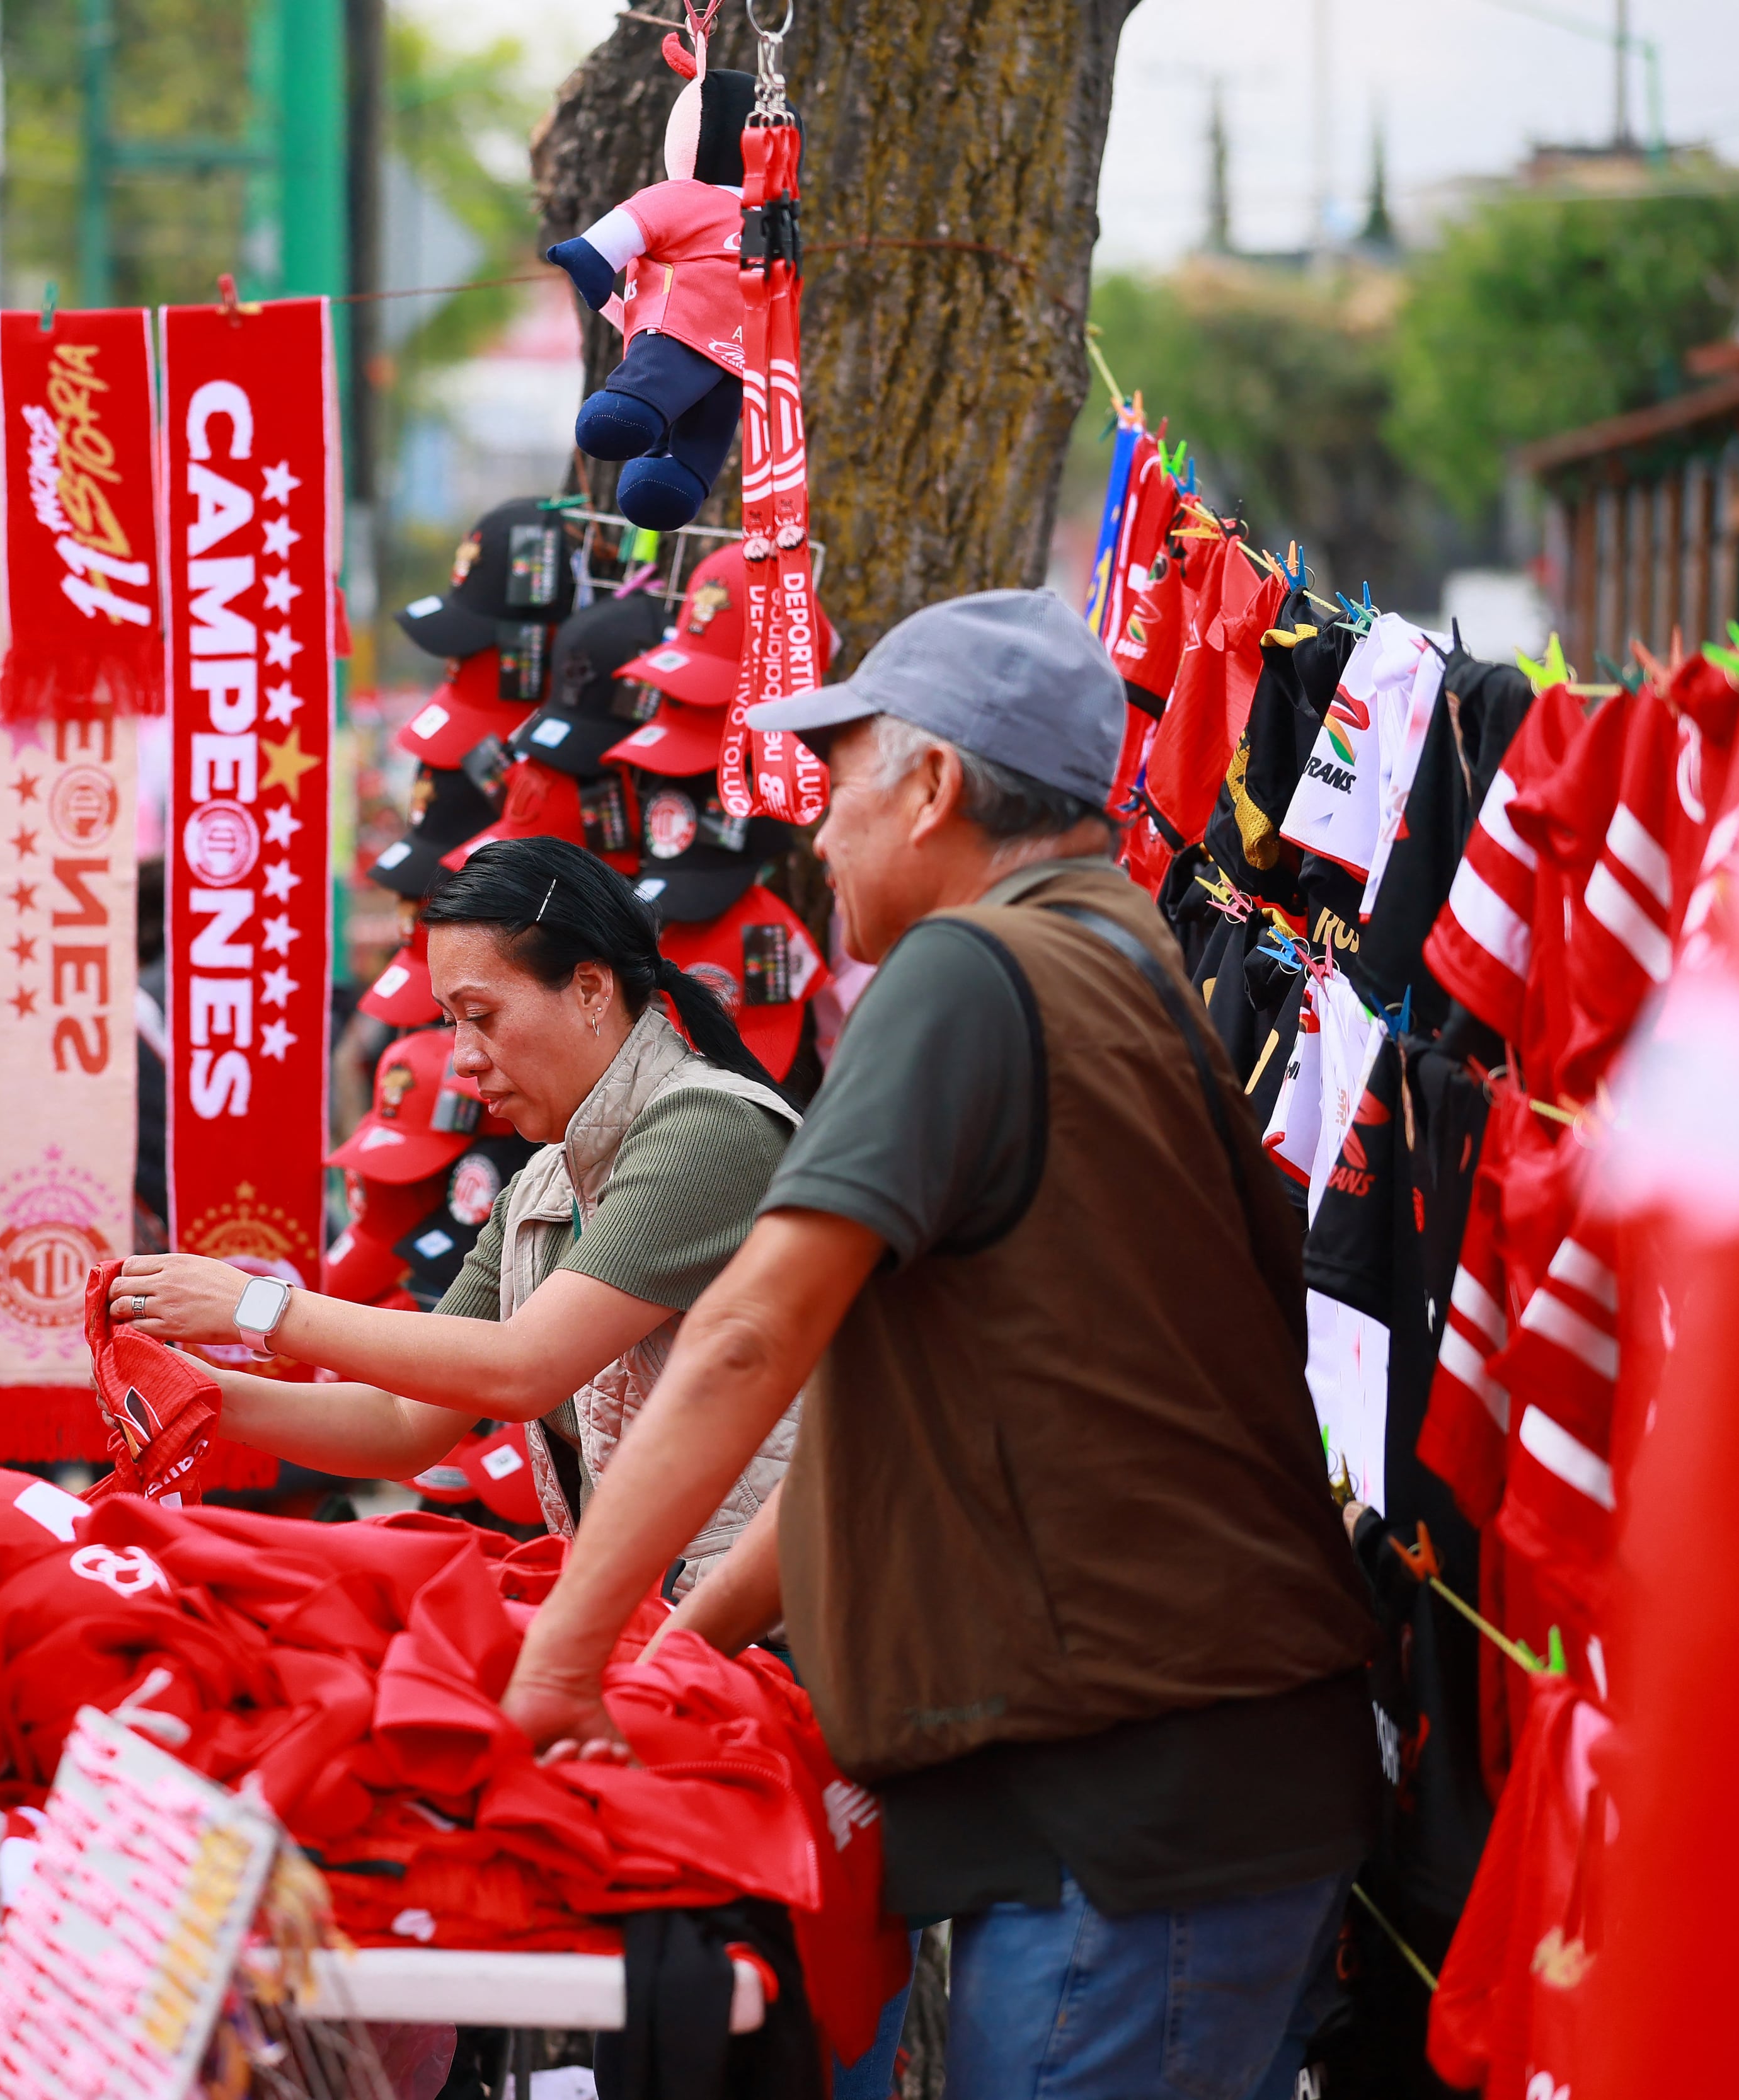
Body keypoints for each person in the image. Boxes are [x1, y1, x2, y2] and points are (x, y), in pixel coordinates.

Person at [495, 591, 1381, 2100]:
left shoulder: (970, 973)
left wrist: (563, 1664)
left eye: (839, 782)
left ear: (934, 787)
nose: (818, 828)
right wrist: (667, 1662)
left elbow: (748, 1337)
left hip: (1133, 1812)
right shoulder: (1108, 951)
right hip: (1187, 1798)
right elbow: (861, 1455)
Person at [109, 835, 802, 1594]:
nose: (463, 1058)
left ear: (590, 989)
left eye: (481, 1015)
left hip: (770, 1621)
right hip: (659, 1615)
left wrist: (253, 1306)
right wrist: (195, 1392)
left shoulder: (709, 1128)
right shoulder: (541, 1188)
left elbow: (524, 1367)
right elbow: (404, 1424)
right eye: (449, 1022)